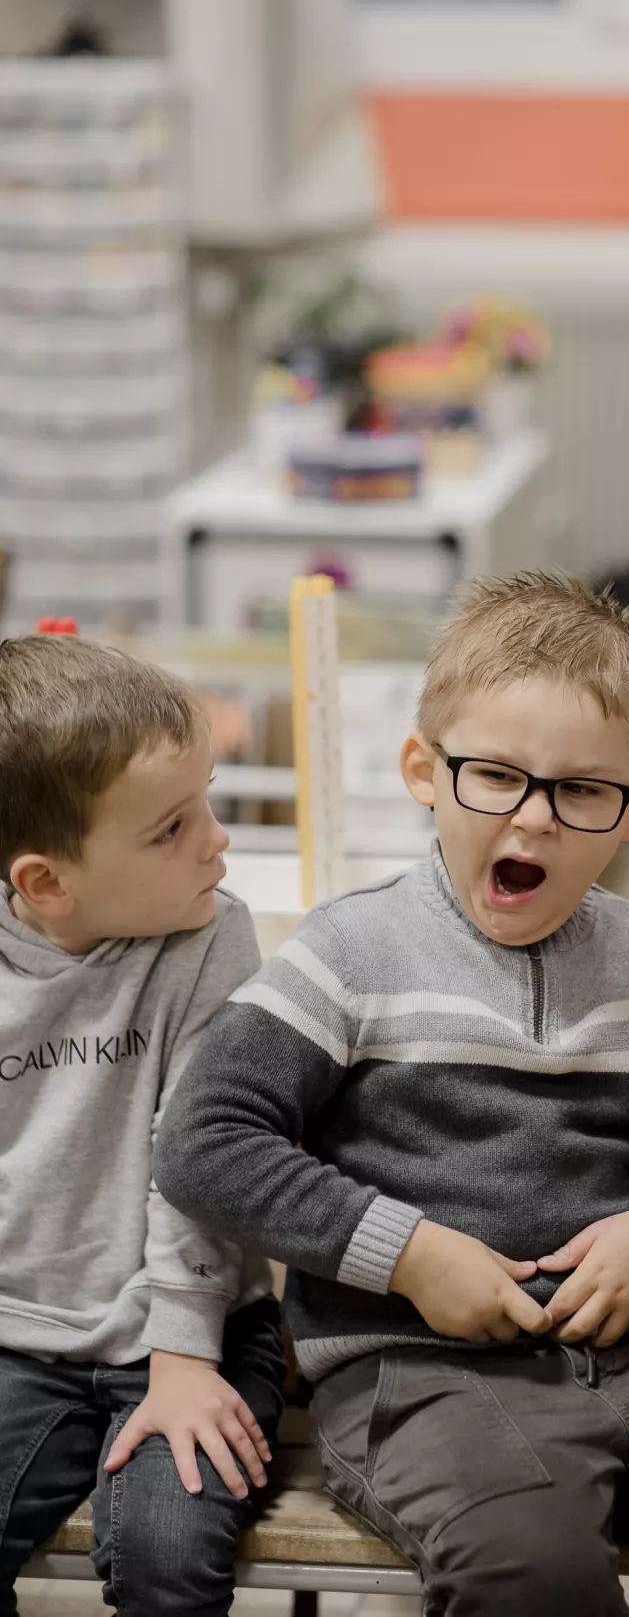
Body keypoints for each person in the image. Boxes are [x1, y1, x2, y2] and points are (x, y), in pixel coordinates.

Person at [154, 571, 629, 1617]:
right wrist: (412, 1255)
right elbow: (204, 1140)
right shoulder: (351, 951)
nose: (534, 819)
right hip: (412, 1373)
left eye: (581, 790)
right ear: (424, 769)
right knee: (529, 1562)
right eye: (495, 776)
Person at [0, 635, 284, 1617]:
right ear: (46, 884)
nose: (217, 841)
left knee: (169, 1554)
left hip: (198, 1325)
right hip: (19, 1331)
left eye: (206, 802)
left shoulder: (211, 933)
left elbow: (200, 1159)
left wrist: (180, 1356)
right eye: (170, 829)